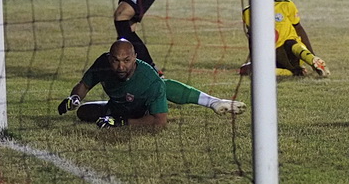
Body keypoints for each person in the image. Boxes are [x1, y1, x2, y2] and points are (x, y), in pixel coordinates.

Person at [57, 39, 245, 128]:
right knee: (83, 112)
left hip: (141, 111)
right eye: (116, 61)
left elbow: (159, 122)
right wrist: (74, 98)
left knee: (161, 87)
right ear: (109, 58)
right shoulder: (103, 63)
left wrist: (122, 123)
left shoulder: (149, 79)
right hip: (118, 106)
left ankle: (212, 101)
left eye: (126, 60)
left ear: (135, 58)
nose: (121, 66)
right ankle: (213, 101)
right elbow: (85, 84)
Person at [241, 0, 329, 78]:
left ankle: (312, 60)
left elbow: (299, 28)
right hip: (271, 55)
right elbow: (252, 40)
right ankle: (292, 72)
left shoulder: (285, 4)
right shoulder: (248, 12)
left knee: (290, 43)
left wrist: (312, 55)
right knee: (246, 69)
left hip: (293, 53)